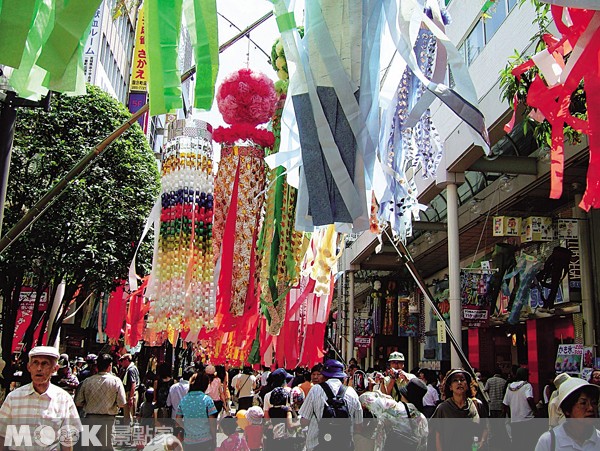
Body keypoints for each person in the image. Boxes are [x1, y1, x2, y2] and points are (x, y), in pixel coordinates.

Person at [0, 346, 81, 451]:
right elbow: (2, 435)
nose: (39, 368)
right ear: (29, 367)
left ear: (55, 369)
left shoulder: (64, 400)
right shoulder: (13, 398)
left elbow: (67, 440)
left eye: (45, 363)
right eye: (35, 363)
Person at [298, 359, 363, 451]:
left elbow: (304, 421)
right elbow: (359, 427)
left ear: (324, 375)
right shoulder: (352, 393)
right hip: (344, 446)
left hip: (317, 445)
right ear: (343, 377)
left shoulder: (315, 390)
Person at [75, 353, 126, 450]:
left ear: (97, 366)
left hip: (90, 419)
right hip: (108, 421)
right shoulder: (116, 381)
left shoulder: (87, 381)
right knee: (107, 448)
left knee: (90, 448)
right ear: (110, 366)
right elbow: (122, 403)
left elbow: (78, 402)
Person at [535, 375, 600, 450]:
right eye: (583, 403)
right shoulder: (549, 441)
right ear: (567, 410)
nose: (591, 408)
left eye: (594, 403)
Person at [430, 369, 485, 451]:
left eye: (462, 380)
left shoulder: (476, 405)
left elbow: (485, 427)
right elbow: (437, 435)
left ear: (467, 385)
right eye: (455, 380)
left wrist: (481, 442)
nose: (459, 382)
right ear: (450, 387)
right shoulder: (443, 408)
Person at [176, 372, 218, 450]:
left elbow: (178, 420)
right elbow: (213, 423)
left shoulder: (183, 400)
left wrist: (186, 428)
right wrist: (214, 439)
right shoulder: (207, 400)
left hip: (189, 441)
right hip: (205, 440)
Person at [502, 367, 541, 450]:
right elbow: (529, 398)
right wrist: (535, 410)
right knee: (528, 443)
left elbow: (505, 404)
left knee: (517, 443)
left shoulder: (509, 387)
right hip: (527, 419)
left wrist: (506, 416)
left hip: (514, 420)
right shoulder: (527, 385)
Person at [119, 353, 140, 423]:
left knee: (129, 416)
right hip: (131, 393)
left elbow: (133, 384)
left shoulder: (131, 370)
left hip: (130, 394)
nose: (121, 362)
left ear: (127, 360)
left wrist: (130, 397)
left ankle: (129, 432)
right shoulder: (132, 368)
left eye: (122, 360)